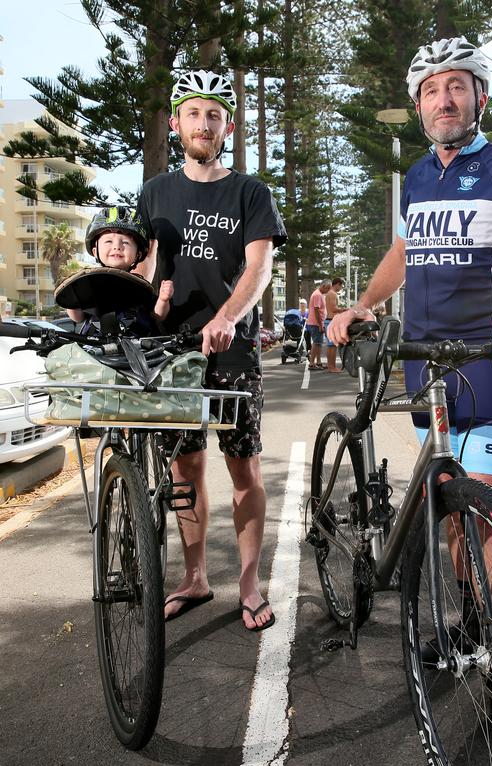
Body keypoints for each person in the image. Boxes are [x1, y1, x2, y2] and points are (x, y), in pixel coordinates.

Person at [328, 37, 492, 730]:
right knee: (451, 509)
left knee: (491, 517)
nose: (443, 99)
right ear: (420, 104)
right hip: (423, 364)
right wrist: (366, 304)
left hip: (487, 366)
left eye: (456, 86)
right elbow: (401, 253)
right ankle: (467, 629)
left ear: (478, 97)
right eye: (431, 90)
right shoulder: (418, 176)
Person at [136, 70, 287, 630]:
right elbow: (150, 267)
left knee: (242, 467)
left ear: (229, 126)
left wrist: (227, 317)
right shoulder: (155, 192)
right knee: (184, 466)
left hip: (231, 350)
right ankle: (195, 578)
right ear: (177, 123)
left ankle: (249, 583)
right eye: (194, 113)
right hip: (172, 354)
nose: (205, 124)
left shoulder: (250, 192)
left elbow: (260, 265)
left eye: (215, 115)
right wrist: (137, 301)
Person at [65, 207, 174, 335]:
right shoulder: (88, 283)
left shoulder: (141, 286)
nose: (117, 246)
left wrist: (163, 300)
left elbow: (158, 315)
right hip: (94, 348)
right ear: (95, 251)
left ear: (138, 254)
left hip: (139, 349)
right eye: (108, 241)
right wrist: (71, 297)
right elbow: (77, 317)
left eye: (126, 242)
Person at [324, 277, 346, 372]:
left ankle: (330, 366)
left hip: (329, 320)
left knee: (331, 345)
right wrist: (343, 310)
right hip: (331, 320)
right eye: (341, 286)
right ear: (337, 284)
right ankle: (332, 367)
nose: (341, 289)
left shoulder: (329, 293)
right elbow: (333, 309)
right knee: (332, 346)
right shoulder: (332, 294)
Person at [306, 281, 330, 369]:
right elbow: (316, 311)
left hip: (317, 323)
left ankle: (318, 362)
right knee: (316, 343)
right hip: (315, 323)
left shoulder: (320, 294)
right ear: (323, 286)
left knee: (319, 343)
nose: (328, 290)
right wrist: (320, 324)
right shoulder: (317, 295)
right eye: (327, 288)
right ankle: (312, 363)